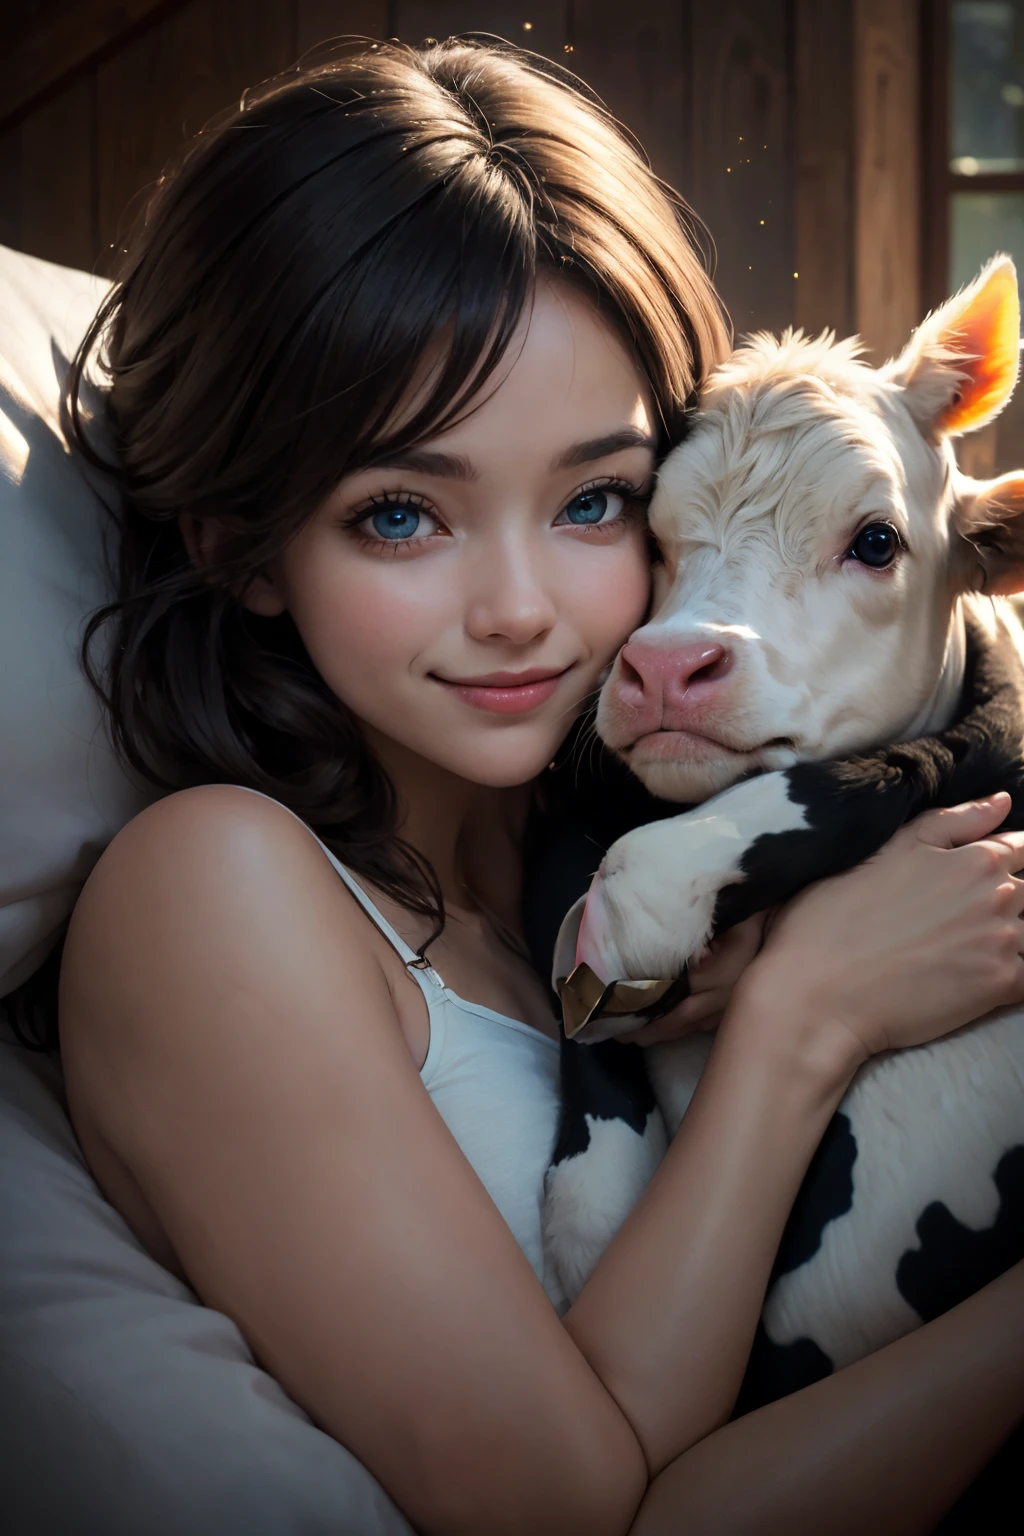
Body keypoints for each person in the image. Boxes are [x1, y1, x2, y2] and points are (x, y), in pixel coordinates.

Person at [54, 36, 1024, 1536]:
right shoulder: (213, 891)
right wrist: (804, 1025)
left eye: (595, 501)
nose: (518, 607)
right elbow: (572, 1510)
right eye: (399, 514)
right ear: (238, 540)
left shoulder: (627, 851)